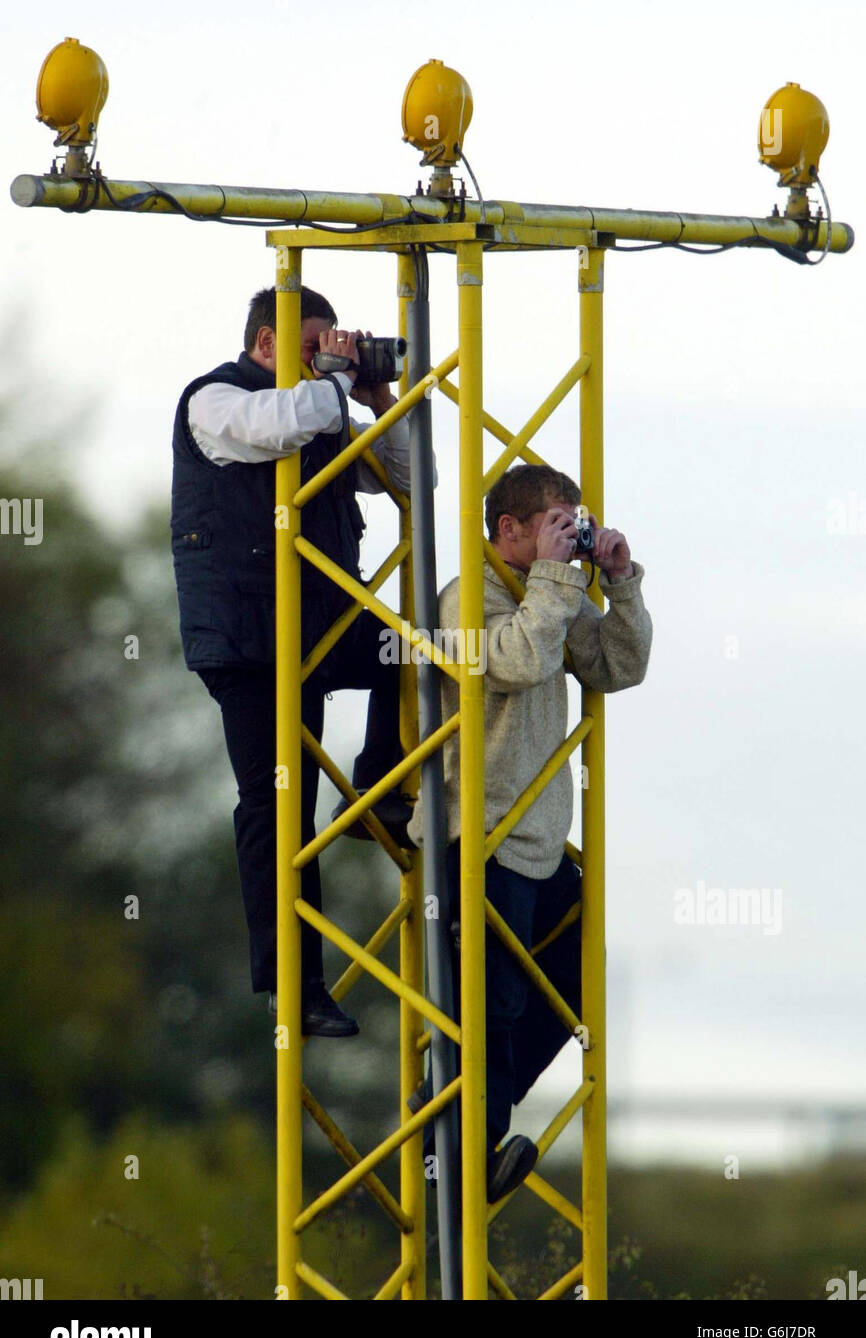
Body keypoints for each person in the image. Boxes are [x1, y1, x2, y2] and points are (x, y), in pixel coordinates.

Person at [171, 286, 418, 1037]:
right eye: (315, 346)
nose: (327, 358)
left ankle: (377, 780)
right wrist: (337, 384)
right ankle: (295, 984)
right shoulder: (216, 401)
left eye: (334, 346)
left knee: (410, 652)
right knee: (278, 808)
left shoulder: (325, 402)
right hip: (249, 638)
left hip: (316, 621)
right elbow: (282, 428)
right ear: (268, 344)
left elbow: (414, 481)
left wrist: (380, 397)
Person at [406, 463, 652, 1202]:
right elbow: (512, 662)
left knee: (575, 988)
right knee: (492, 1003)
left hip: (538, 844)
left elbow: (617, 665)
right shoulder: (467, 596)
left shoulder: (552, 592)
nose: (566, 537)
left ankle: (463, 1114)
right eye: (554, 523)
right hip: (476, 836)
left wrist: (621, 583)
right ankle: (459, 1149)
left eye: (572, 523)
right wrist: (553, 580)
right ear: (507, 530)